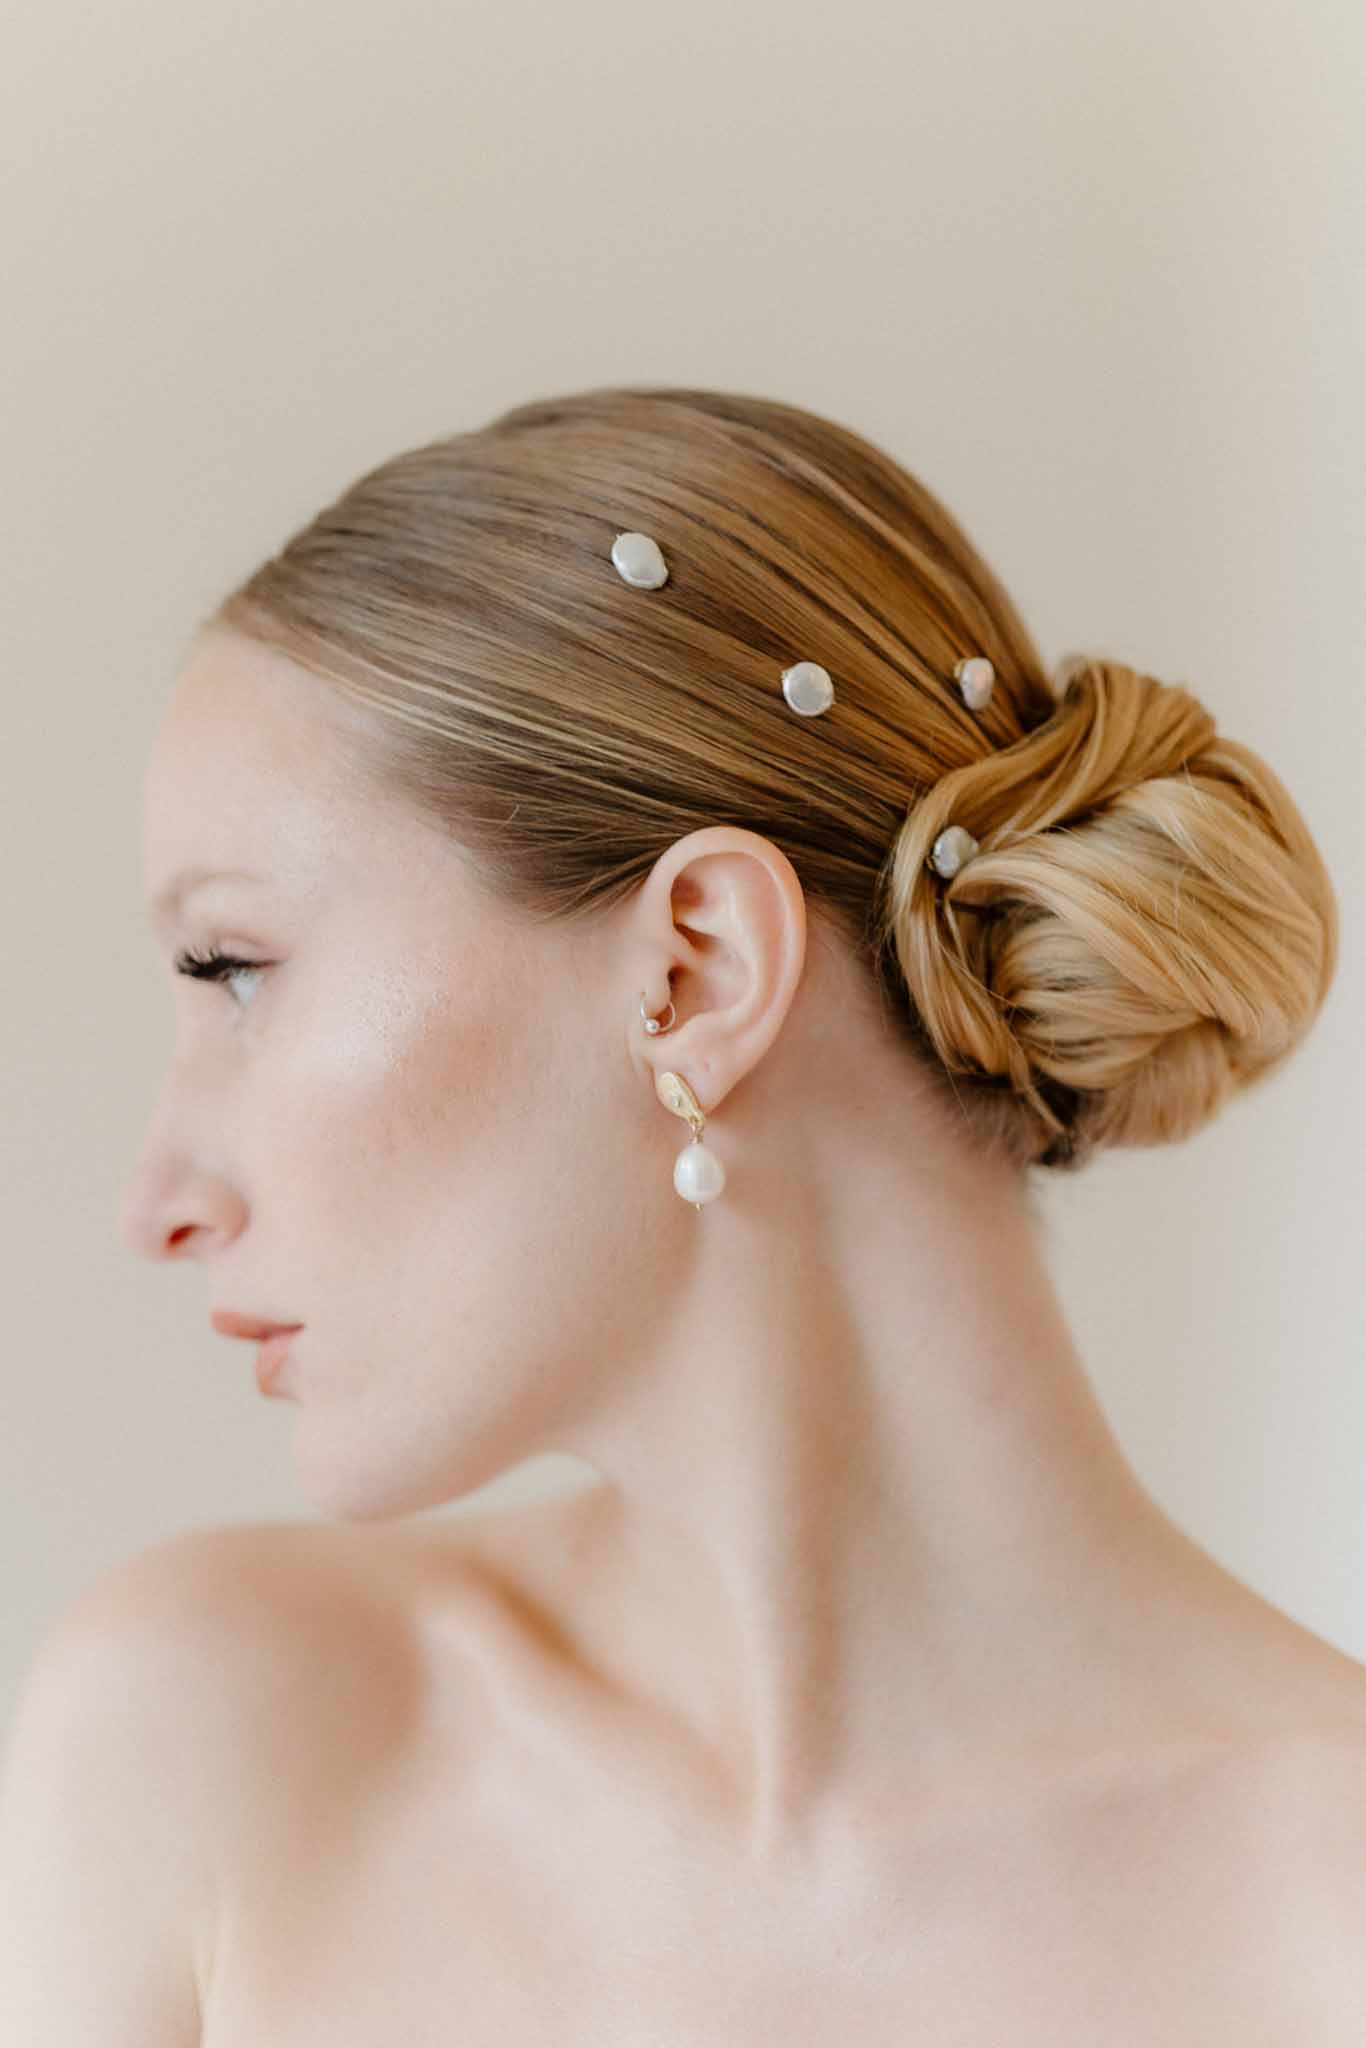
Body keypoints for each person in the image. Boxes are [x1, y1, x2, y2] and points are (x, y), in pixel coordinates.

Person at [3, 384, 1362, 2037]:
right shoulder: (218, 1738)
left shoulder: (1324, 1906)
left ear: (692, 970)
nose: (158, 1201)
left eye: (238, 971)